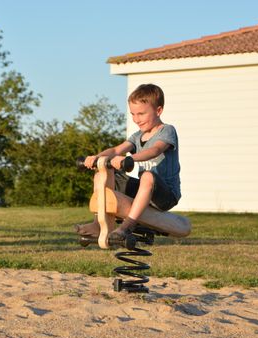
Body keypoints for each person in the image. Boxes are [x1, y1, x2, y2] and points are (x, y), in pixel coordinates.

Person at [75, 83, 181, 242]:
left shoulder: (166, 130)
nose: (136, 119)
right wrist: (95, 158)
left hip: (166, 194)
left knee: (147, 176)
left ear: (158, 110)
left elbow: (155, 150)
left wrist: (130, 158)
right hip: (144, 189)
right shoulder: (137, 136)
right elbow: (116, 150)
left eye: (141, 114)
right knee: (102, 173)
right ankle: (99, 223)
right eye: (133, 114)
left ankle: (128, 225)